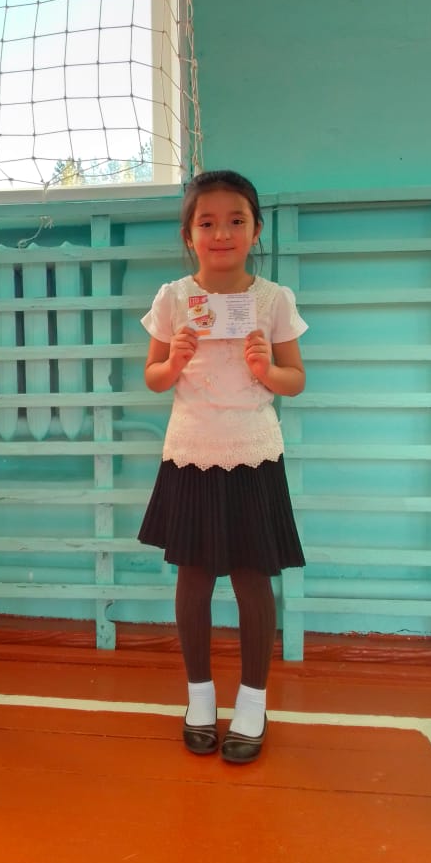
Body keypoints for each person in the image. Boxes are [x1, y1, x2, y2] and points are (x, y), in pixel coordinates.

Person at [138, 169, 306, 763]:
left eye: (236, 220)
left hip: (253, 451)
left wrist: (266, 370)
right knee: (194, 574)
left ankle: (254, 702)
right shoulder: (173, 298)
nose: (222, 233)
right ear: (189, 235)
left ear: (255, 230)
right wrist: (175, 359)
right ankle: (200, 698)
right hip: (191, 451)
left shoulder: (273, 299)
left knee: (252, 575)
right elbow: (153, 377)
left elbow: (295, 379)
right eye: (206, 222)